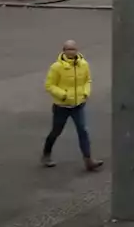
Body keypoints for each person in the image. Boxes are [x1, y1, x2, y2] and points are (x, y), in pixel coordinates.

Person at [42, 40, 104, 171]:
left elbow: (87, 80)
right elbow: (49, 85)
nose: (71, 52)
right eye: (68, 49)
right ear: (63, 51)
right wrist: (63, 95)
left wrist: (86, 93)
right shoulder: (56, 67)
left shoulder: (84, 65)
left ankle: (88, 160)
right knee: (56, 131)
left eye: (73, 49)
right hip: (61, 107)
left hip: (78, 105)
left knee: (83, 131)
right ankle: (46, 154)